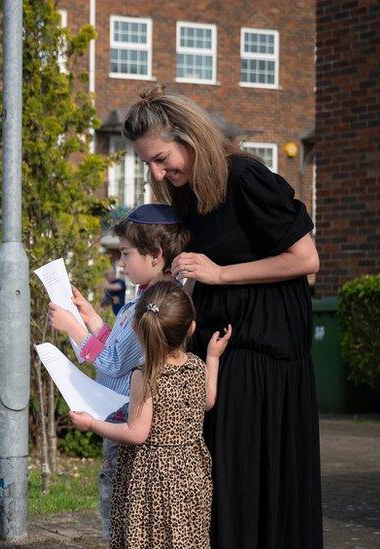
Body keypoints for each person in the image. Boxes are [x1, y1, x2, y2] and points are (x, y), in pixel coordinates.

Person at [123, 84, 322, 548]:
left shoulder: (246, 177)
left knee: (246, 469)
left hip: (263, 346)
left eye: (161, 157)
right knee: (225, 471)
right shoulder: (189, 191)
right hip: (218, 341)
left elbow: (306, 259)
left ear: (189, 137)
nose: (156, 171)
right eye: (147, 163)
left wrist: (219, 273)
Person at [49, 203, 191, 540]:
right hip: (122, 412)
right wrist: (88, 316)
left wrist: (73, 328)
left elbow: (112, 361)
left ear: (155, 255)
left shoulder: (150, 307)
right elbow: (117, 346)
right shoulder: (151, 297)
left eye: (126, 254)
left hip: (124, 416)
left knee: (116, 495)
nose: (121, 263)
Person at [70, 279, 232, 547]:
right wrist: (213, 358)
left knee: (147, 538)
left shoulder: (145, 376)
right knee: (185, 538)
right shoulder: (196, 364)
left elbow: (136, 433)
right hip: (191, 476)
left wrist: (92, 424)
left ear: (136, 328)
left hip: (151, 479)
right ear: (191, 328)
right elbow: (209, 400)